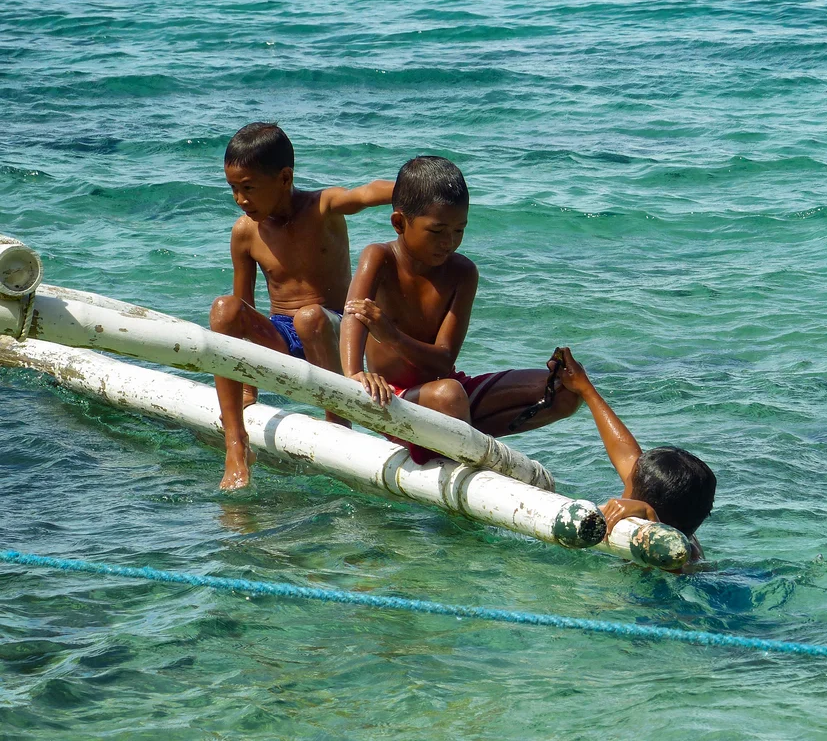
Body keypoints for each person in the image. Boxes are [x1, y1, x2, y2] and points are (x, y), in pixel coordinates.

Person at [339, 155, 581, 462]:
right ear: (399, 223)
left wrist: (393, 337)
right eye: (437, 231)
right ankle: (476, 461)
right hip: (395, 399)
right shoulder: (379, 257)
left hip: (445, 390)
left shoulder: (463, 273)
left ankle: (462, 436)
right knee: (450, 395)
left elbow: (442, 362)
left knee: (563, 392)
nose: (449, 242)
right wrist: (354, 374)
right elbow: (353, 314)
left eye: (459, 230)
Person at [210, 122, 394, 490]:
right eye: (233, 188)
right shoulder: (245, 232)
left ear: (284, 177)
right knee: (224, 309)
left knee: (310, 317)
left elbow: (366, 193)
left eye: (248, 188)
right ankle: (236, 443)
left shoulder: (322, 208)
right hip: (284, 337)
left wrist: (421, 187)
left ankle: (338, 422)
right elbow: (244, 306)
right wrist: (248, 388)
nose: (240, 199)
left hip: (336, 333)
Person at [554, 347, 715, 558]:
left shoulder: (685, 557)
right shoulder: (684, 522)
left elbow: (675, 563)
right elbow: (625, 453)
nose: (627, 472)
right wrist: (585, 389)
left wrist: (650, 518)